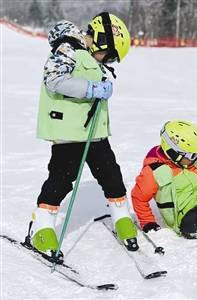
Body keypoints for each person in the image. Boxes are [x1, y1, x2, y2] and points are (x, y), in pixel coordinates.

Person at [28, 12, 138, 263]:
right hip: (69, 133)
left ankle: (122, 217)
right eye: (109, 55)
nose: (109, 61)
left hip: (94, 133)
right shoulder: (67, 48)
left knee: (111, 174)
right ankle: (41, 228)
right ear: (98, 40)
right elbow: (54, 79)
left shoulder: (86, 54)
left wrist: (101, 85)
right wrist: (90, 88)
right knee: (62, 179)